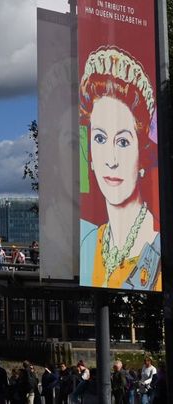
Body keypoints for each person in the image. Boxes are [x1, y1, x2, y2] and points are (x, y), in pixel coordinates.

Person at [79, 46, 161, 291]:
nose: (111, 159)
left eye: (123, 141)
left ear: (142, 153)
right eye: (100, 139)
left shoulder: (158, 243)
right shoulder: (87, 242)